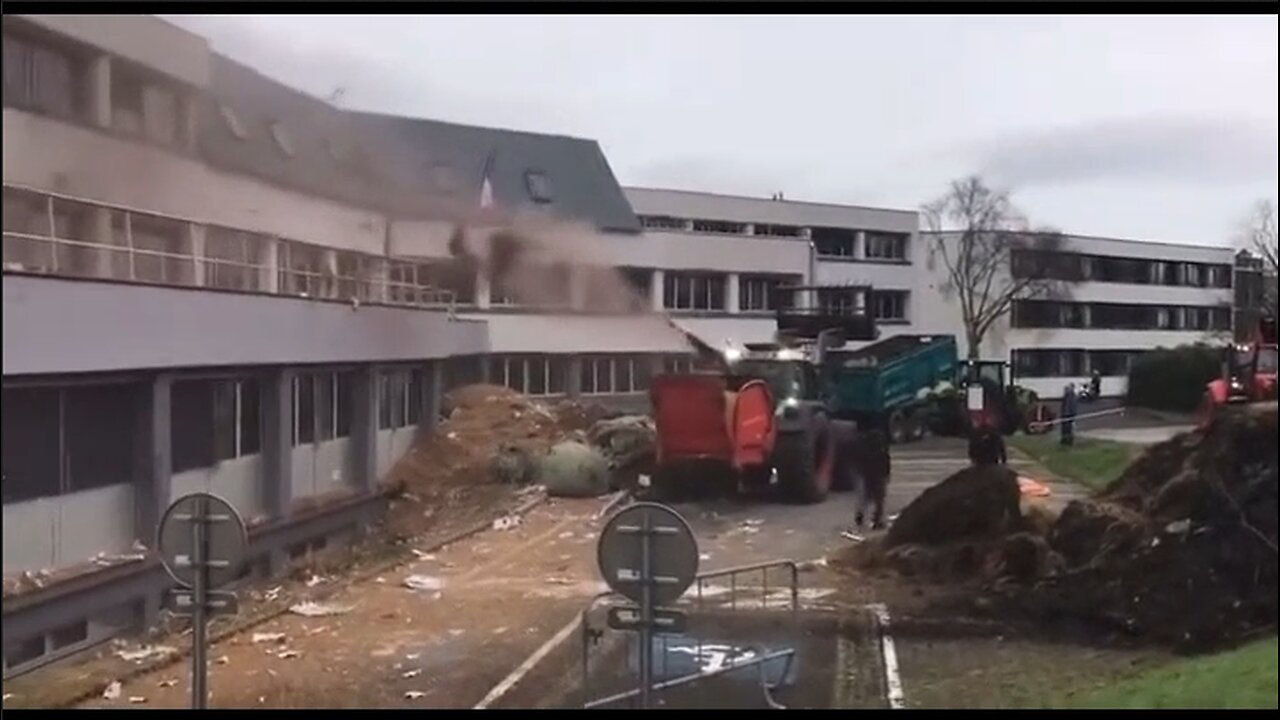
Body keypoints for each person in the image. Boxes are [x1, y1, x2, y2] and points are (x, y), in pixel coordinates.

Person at [853, 428, 892, 531]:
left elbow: (858, 462)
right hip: (879, 475)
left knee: (865, 497)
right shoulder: (882, 449)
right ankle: (877, 520)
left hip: (867, 474)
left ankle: (861, 514)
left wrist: (859, 472)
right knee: (879, 499)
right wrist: (887, 475)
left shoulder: (863, 448)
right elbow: (886, 463)